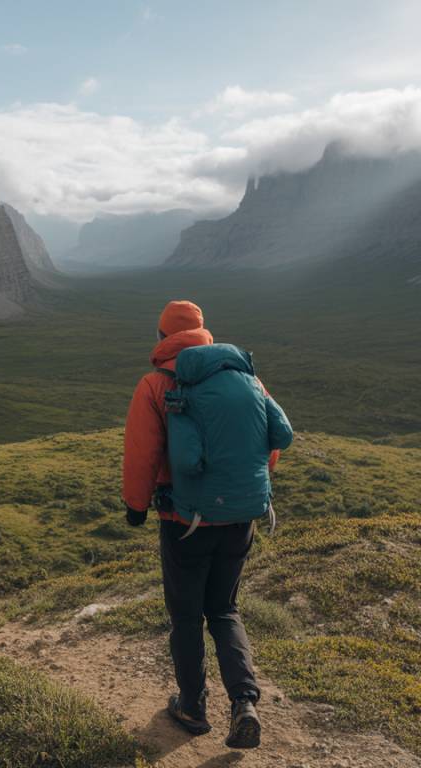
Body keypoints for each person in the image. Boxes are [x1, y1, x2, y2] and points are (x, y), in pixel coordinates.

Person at [122, 299, 293, 749]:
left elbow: (142, 453)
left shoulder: (156, 383)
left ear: (162, 339)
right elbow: (269, 444)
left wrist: (135, 506)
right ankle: (244, 703)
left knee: (185, 616)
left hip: (185, 520)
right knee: (224, 610)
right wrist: (238, 492)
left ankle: (193, 708)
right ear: (205, 334)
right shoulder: (244, 376)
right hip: (241, 516)